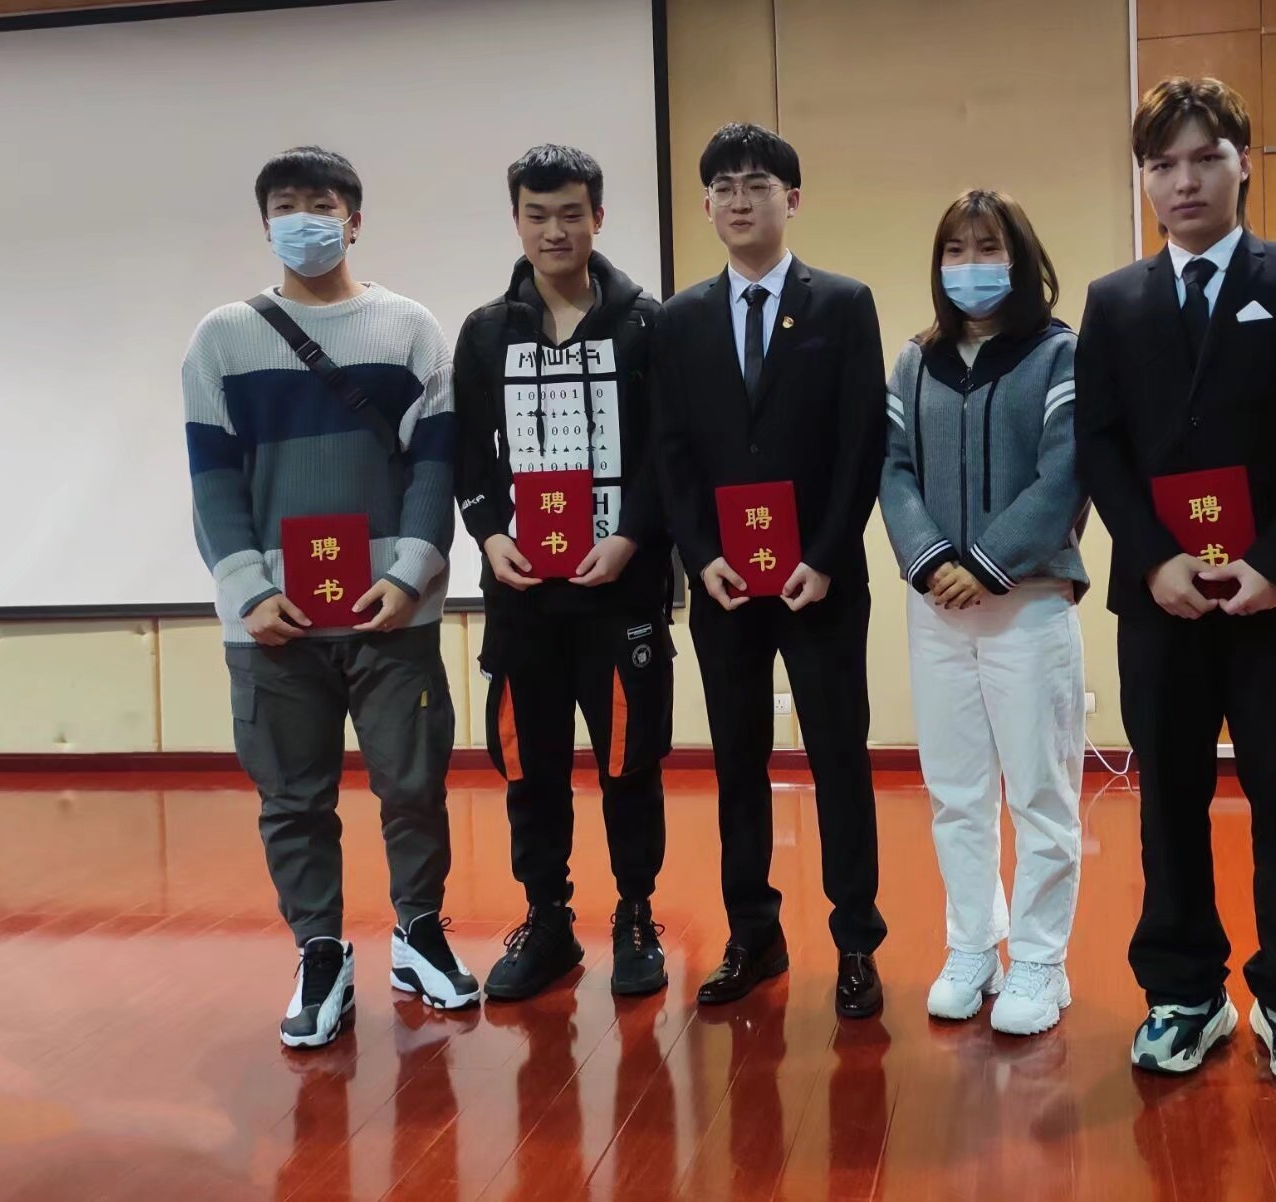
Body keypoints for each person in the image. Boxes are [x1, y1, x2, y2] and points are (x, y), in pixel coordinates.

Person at [1075, 77, 1276, 1088]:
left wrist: (1273, 562)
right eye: (1163, 164)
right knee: (1168, 800)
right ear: (1145, 178)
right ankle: (1185, 991)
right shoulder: (1114, 300)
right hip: (1162, 599)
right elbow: (1100, 442)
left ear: (1245, 161)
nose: (1184, 181)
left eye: (1205, 158)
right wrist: (1156, 558)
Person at [183, 144, 479, 1049]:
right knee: (292, 799)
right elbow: (212, 482)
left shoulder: (410, 330)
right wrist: (248, 591)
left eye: (320, 203)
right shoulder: (222, 339)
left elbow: (436, 465)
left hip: (394, 612)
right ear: (265, 223)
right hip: (273, 624)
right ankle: (320, 951)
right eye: (286, 205)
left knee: (413, 784)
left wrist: (410, 573)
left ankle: (419, 933)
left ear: (354, 219)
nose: (303, 220)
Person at [651, 122, 889, 1019]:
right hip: (725, 585)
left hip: (820, 583)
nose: (739, 200)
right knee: (738, 762)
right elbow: (671, 451)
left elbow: (862, 441)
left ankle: (856, 939)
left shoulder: (844, 305)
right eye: (723, 186)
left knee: (839, 757)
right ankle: (753, 933)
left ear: (792, 199)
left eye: (756, 184)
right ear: (706, 204)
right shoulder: (678, 320)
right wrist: (699, 556)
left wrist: (825, 556)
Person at [452, 143, 673, 1001]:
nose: (555, 230)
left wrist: (632, 537)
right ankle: (548, 920)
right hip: (524, 601)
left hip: (619, 592)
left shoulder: (645, 324)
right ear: (516, 220)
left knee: (630, 763)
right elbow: (469, 458)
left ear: (598, 218)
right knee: (530, 769)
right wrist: (488, 534)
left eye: (571, 213)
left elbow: (664, 452)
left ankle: (636, 914)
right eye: (537, 214)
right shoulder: (484, 332)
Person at [880, 189, 1089, 1036]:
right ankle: (973, 944)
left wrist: (989, 563)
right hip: (937, 607)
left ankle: (1040, 959)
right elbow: (893, 468)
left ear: (1021, 257)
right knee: (956, 792)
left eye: (988, 247)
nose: (971, 265)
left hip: (1027, 602)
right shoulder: (915, 361)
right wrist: (933, 560)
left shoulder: (1058, 354)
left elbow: (1065, 473)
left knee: (1041, 791)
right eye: (956, 250)